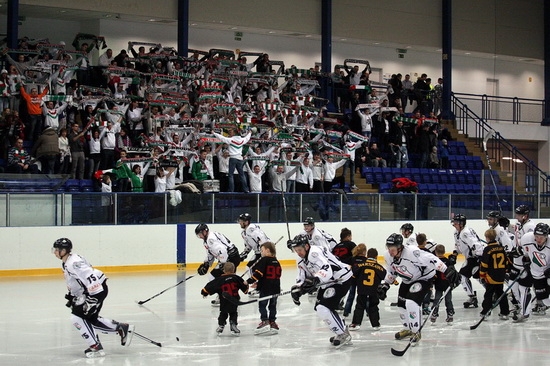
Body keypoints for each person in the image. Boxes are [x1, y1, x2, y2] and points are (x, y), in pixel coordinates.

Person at [51, 238, 134, 358]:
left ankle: (95, 346)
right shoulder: (67, 261)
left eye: (57, 250)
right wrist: (75, 295)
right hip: (92, 291)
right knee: (89, 318)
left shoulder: (73, 262)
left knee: (77, 318)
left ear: (63, 251)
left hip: (97, 291)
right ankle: (120, 328)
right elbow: (77, 280)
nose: (55, 252)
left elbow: (90, 276)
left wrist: (92, 298)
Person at [377, 233, 459, 346]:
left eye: (393, 249)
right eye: (388, 248)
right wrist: (386, 284)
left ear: (400, 247)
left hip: (423, 278)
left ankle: (416, 332)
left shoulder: (412, 252)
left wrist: (446, 270)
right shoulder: (388, 255)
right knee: (401, 304)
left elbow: (431, 258)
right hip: (407, 280)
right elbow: (392, 271)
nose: (390, 252)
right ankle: (407, 329)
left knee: (411, 302)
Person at [288, 234, 353, 348]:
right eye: (296, 250)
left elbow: (326, 269)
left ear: (307, 246)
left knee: (323, 308)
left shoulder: (314, 253)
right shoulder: (301, 258)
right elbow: (302, 276)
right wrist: (298, 288)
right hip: (328, 281)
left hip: (340, 278)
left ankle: (343, 334)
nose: (298, 252)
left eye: (299, 249)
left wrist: (316, 279)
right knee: (320, 308)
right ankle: (341, 329)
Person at [195, 223, 241, 305]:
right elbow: (211, 253)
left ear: (205, 231)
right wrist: (206, 264)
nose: (200, 236)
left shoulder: (210, 239)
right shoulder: (208, 240)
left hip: (230, 258)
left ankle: (224, 296)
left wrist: (223, 264)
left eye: (200, 234)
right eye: (198, 235)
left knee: (215, 277)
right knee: (226, 278)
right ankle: (229, 295)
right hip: (231, 257)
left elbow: (222, 250)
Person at [200, 262, 248, 336]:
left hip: (224, 300)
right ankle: (233, 324)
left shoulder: (219, 280)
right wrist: (246, 285)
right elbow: (245, 290)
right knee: (233, 312)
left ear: (223, 270)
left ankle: (221, 325)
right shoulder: (237, 278)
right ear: (234, 270)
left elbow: (209, 287)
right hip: (234, 300)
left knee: (223, 312)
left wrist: (204, 292)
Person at [246, 242, 282, 334]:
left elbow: (258, 273)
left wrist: (248, 281)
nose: (261, 252)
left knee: (262, 305)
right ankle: (272, 322)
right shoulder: (276, 261)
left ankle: (265, 321)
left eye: (262, 250)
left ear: (267, 250)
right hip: (276, 288)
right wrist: (259, 284)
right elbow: (276, 275)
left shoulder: (264, 260)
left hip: (266, 288)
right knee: (273, 305)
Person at [451, 214, 485, 309]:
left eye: (456, 223)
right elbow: (458, 245)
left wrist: (479, 256)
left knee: (462, 276)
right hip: (471, 257)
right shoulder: (457, 232)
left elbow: (476, 244)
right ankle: (493, 293)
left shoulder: (465, 232)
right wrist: (455, 253)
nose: (454, 224)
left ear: (461, 223)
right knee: (479, 277)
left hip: (474, 258)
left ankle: (472, 297)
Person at [349, 246, 386, 331]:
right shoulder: (379, 267)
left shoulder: (360, 265)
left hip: (362, 289)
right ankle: (375, 324)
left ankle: (356, 323)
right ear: (376, 256)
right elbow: (385, 276)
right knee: (373, 306)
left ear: (367, 255)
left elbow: (354, 273)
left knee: (359, 306)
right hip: (374, 290)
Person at [479, 229, 510, 320]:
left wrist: (482, 274)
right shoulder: (501, 248)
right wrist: (506, 270)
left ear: (487, 238)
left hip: (491, 276)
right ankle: (505, 312)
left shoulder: (487, 249)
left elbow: (484, 263)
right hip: (500, 275)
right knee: (501, 293)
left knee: (489, 294)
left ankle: (485, 312)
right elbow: (506, 261)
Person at [520, 223, 550, 316]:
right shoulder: (527, 239)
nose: (538, 239)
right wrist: (525, 260)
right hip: (537, 274)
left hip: (548, 272)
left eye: (541, 237)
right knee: (545, 300)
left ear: (546, 236)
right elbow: (526, 254)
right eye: (536, 236)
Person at [212, 127, 251, 193]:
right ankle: (246, 189)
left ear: (234, 133)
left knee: (230, 175)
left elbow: (222, 138)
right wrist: (250, 133)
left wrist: (214, 133)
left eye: (231, 132)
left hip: (233, 158)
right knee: (242, 175)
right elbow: (247, 138)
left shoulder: (231, 140)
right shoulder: (242, 140)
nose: (230, 133)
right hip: (240, 159)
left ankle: (231, 190)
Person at [238, 213, 271, 281]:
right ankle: (259, 286)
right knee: (255, 269)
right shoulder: (244, 233)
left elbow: (262, 238)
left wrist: (264, 250)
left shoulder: (251, 228)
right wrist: (245, 253)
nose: (239, 222)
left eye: (241, 221)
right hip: (259, 253)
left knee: (249, 268)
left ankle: (258, 285)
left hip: (264, 252)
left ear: (246, 222)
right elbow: (248, 246)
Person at [332, 228, 357, 316]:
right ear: (348, 236)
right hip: (347, 270)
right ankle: (339, 303)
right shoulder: (351, 244)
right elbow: (357, 255)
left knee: (338, 287)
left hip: (336, 270)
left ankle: (336, 301)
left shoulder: (336, 246)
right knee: (347, 288)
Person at [430, 244, 456, 324]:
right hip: (448, 284)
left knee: (437, 299)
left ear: (436, 252)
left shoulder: (435, 262)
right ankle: (450, 313)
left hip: (439, 284)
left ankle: (434, 313)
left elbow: (432, 273)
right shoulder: (448, 261)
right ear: (444, 252)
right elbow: (453, 272)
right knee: (448, 300)